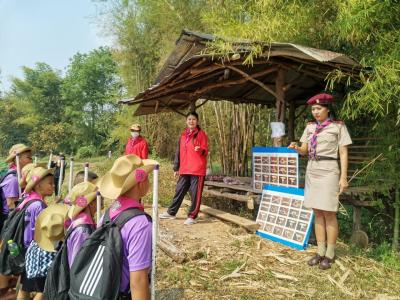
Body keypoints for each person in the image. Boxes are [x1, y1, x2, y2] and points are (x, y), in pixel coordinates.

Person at [288, 93, 352, 270]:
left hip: (329, 170)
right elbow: (304, 151)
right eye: (313, 109)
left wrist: (343, 177)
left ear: (327, 109)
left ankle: (330, 253)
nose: (315, 112)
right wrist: (296, 147)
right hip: (312, 170)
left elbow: (343, 153)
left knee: (329, 212)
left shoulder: (338, 126)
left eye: (318, 108)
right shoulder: (309, 127)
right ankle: (320, 251)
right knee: (317, 212)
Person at [97, 155, 157, 299]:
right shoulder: (140, 223)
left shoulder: (108, 213)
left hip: (104, 291)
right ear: (141, 182)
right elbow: (138, 280)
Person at [159, 111, 208, 225]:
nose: (191, 121)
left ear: (197, 121)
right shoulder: (183, 135)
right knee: (179, 190)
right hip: (185, 168)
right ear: (186, 121)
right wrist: (176, 167)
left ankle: (192, 216)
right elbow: (178, 151)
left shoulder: (201, 134)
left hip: (197, 169)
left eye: (194, 119)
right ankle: (171, 212)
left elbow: (205, 151)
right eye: (189, 119)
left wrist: (199, 149)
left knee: (195, 193)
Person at [16, 167, 54, 299]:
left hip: (25, 249)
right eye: (50, 183)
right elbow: (45, 230)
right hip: (37, 251)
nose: (53, 186)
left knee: (25, 286)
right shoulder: (39, 205)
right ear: (38, 185)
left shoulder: (27, 200)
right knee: (42, 289)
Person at [0, 143, 32, 299]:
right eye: (28, 156)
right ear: (17, 159)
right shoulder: (13, 179)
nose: (31, 159)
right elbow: (11, 204)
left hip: (11, 225)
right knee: (9, 255)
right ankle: (4, 289)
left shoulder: (18, 177)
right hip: (9, 226)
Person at [64, 182, 97, 267]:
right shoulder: (83, 231)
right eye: (99, 199)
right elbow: (76, 264)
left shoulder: (83, 224)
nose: (102, 204)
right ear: (92, 203)